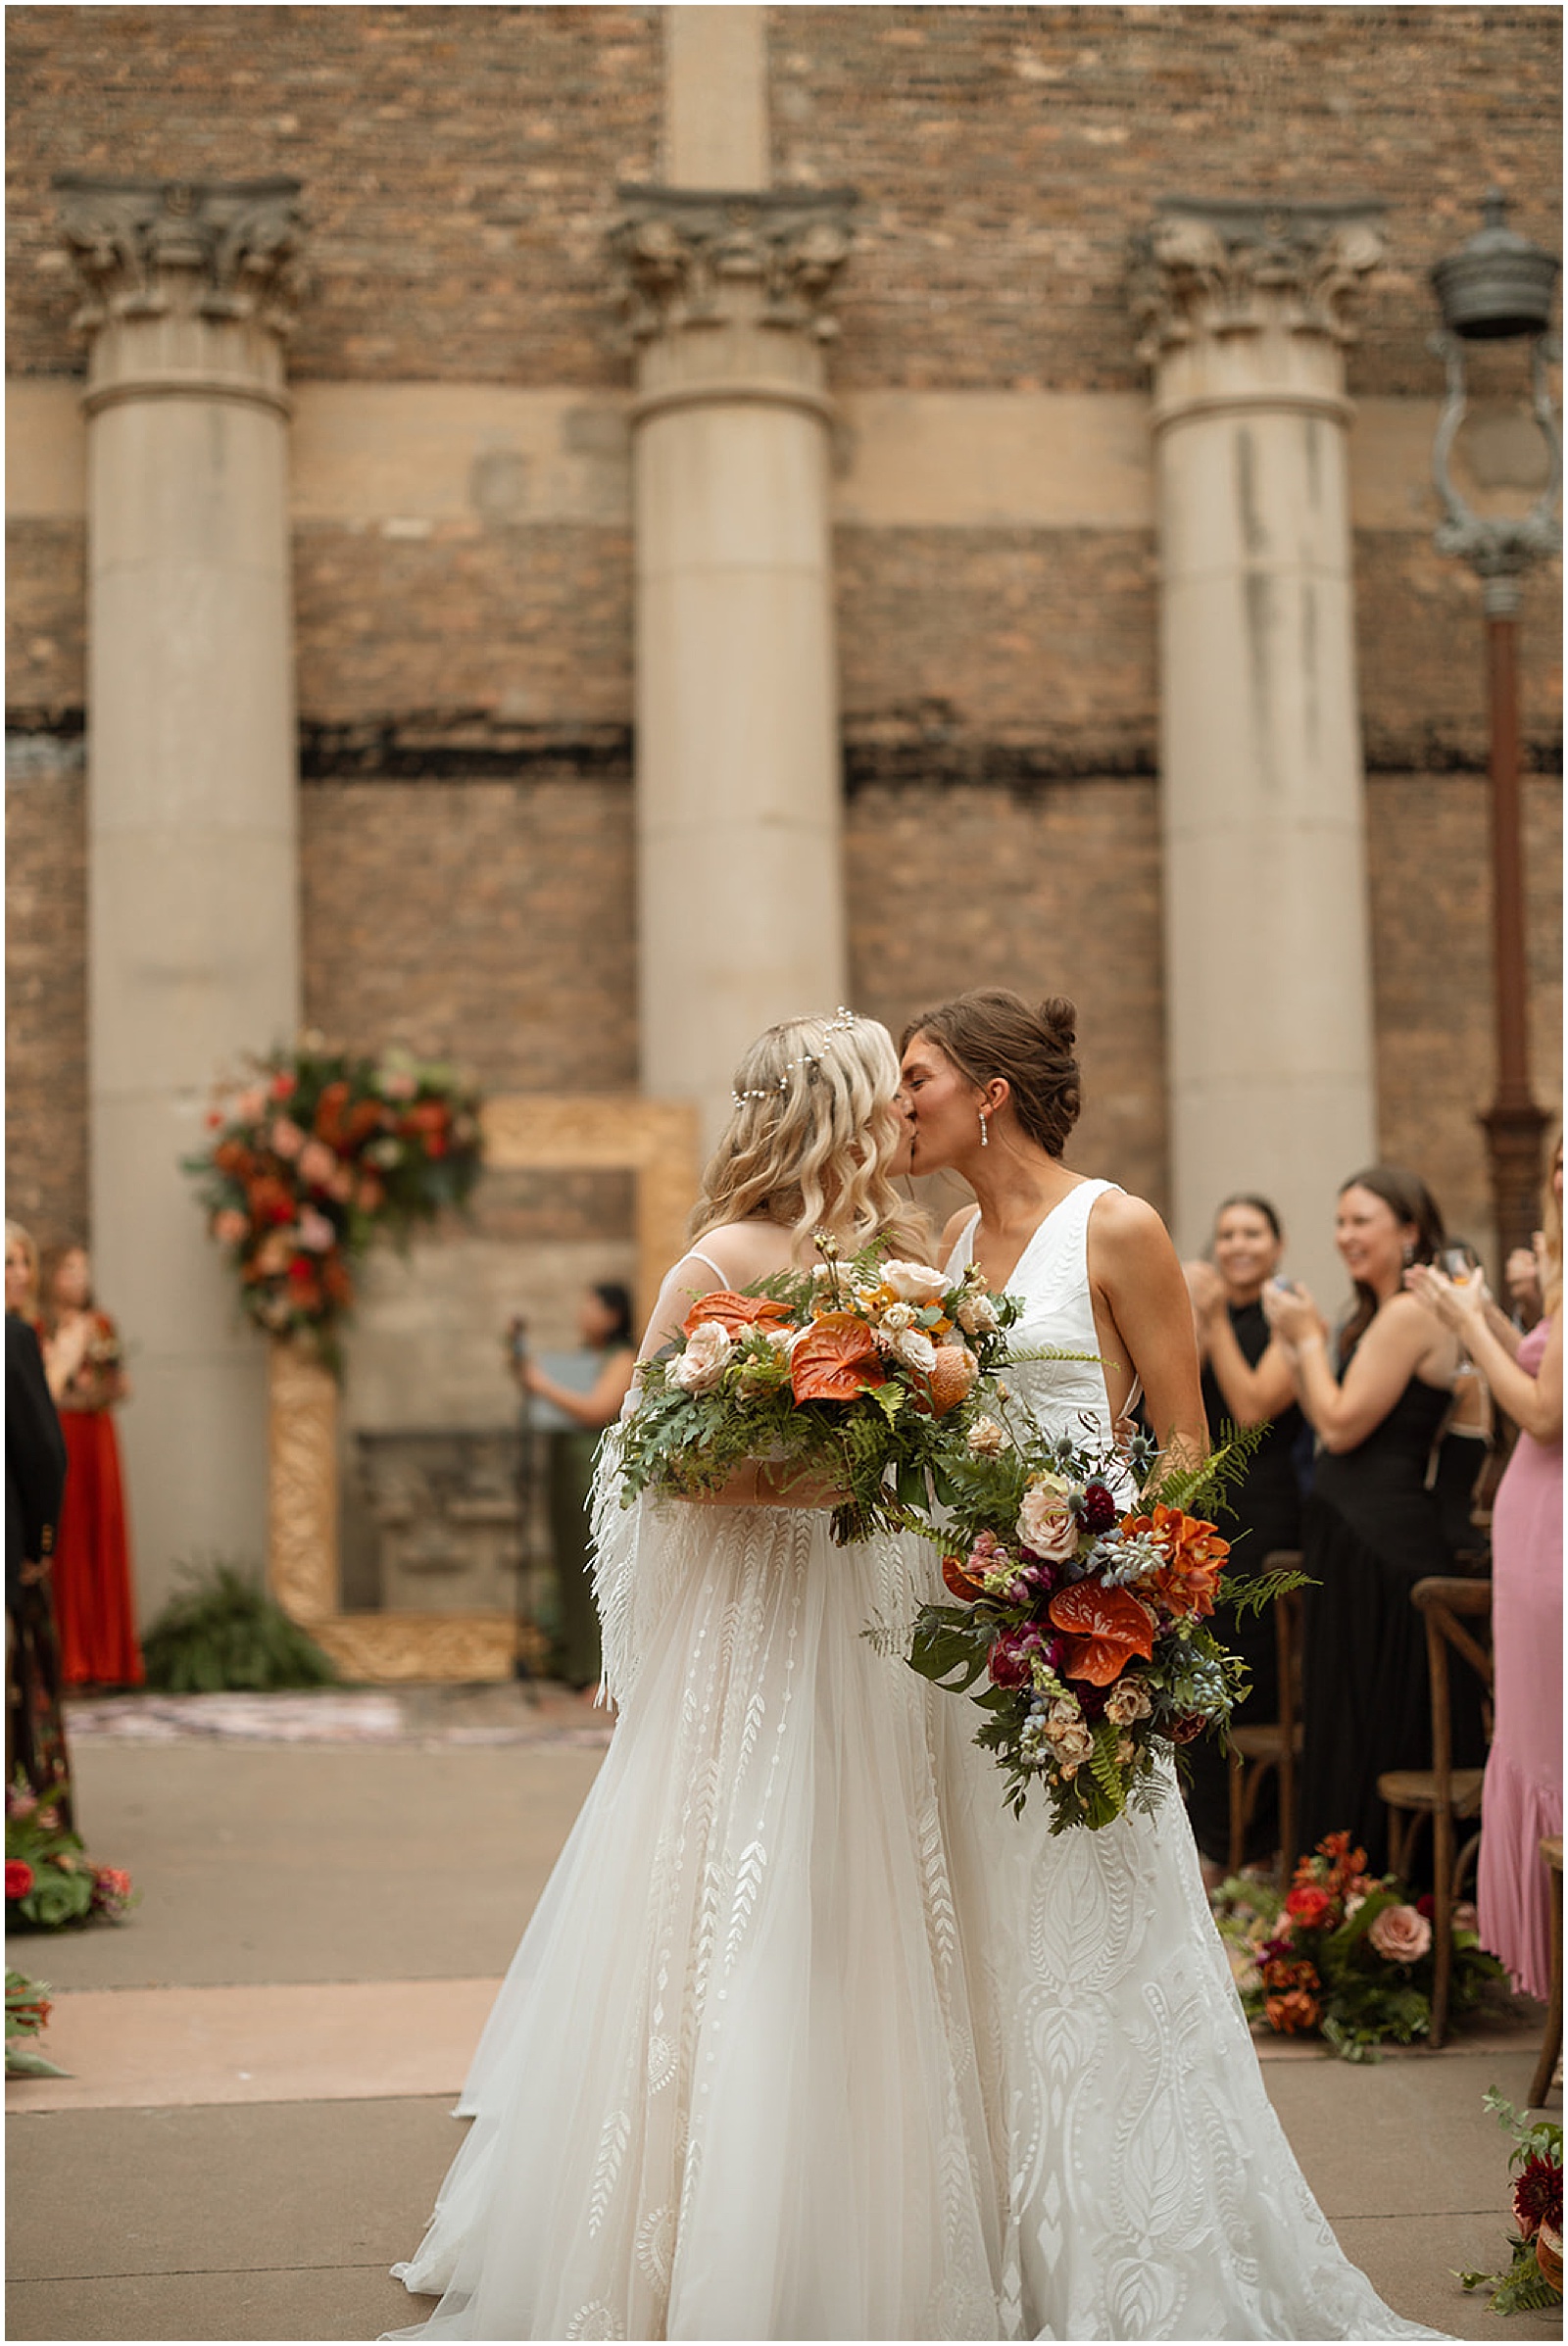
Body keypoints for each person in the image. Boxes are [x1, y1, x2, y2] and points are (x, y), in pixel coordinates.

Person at [388, 1010, 1004, 2342]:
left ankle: (847, 2217)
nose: (902, 1117)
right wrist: (805, 1465)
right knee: (735, 1891)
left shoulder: (898, 1261)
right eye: (881, 1094)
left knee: (856, 1897)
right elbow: (644, 1466)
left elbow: (939, 1448)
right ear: (833, 1111)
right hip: (750, 1629)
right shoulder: (715, 1262)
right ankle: (692, 2233)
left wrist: (899, 1444)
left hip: (857, 1620)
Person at [899, 991, 1437, 2340]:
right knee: (994, 1934)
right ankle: (1015, 2239)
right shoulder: (960, 1237)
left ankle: (1140, 2241)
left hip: (1087, 1637)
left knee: (1098, 1928)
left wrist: (1122, 1588)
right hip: (984, 1639)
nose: (898, 1101)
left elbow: (1189, 1444)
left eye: (915, 1076)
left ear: (990, 1091)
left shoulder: (1118, 1224)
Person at [1264, 1167, 1478, 1879]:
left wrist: (1301, 1339)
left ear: (1410, 1230)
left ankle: (1377, 1893)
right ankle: (1342, 1896)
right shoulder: (1380, 1312)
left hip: (1382, 1544)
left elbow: (1339, 1423)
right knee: (1341, 1718)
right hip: (1351, 1533)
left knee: (1372, 1721)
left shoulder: (1411, 1312)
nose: (1345, 1236)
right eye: (1341, 1222)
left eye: (1362, 1221)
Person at [1406, 1137, 1562, 2005]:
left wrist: (1469, 1328)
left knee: (1551, 1753)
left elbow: (1541, 1415)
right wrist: (1487, 1313)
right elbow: (1541, 1368)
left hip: (1552, 1544)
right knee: (1536, 1743)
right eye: (1562, 1160)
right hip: (1533, 1535)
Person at [1180, 1194, 1304, 1877]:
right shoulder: (1207, 1315)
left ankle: (1255, 1844)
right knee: (1199, 1671)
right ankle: (1208, 1842)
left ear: (1277, 1246)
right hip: (1209, 1508)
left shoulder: (1288, 1316)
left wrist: (1219, 1315)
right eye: (1226, 1234)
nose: (1236, 1245)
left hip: (1269, 1508)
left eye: (1252, 1232)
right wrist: (1195, 1315)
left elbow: (1255, 1405)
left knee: (1252, 1677)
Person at [512, 1284, 637, 1692]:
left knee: (597, 1569)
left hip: (592, 1471)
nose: (583, 1312)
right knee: (570, 1568)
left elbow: (597, 1409)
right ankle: (578, 1665)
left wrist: (541, 1385)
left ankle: (603, 1673)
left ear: (614, 1314)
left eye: (593, 1304)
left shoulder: (622, 1358)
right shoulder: (583, 1359)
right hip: (564, 1469)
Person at [38, 1243, 143, 1689]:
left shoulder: (102, 1326)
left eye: (84, 1270)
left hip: (97, 1437)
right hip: (62, 1436)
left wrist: (103, 1385)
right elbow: (44, 1390)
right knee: (69, 1539)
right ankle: (71, 1657)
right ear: (53, 1276)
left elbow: (120, 1385)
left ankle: (109, 1657)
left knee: (103, 1532)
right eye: (69, 1270)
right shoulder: (39, 1327)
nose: (78, 1278)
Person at [5, 1220, 73, 1824]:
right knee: (22, 1689)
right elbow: (43, 1454)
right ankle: (33, 1827)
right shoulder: (14, 1338)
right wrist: (40, 1540)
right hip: (12, 1550)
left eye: (24, 1261)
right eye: (6, 1263)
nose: (19, 1275)